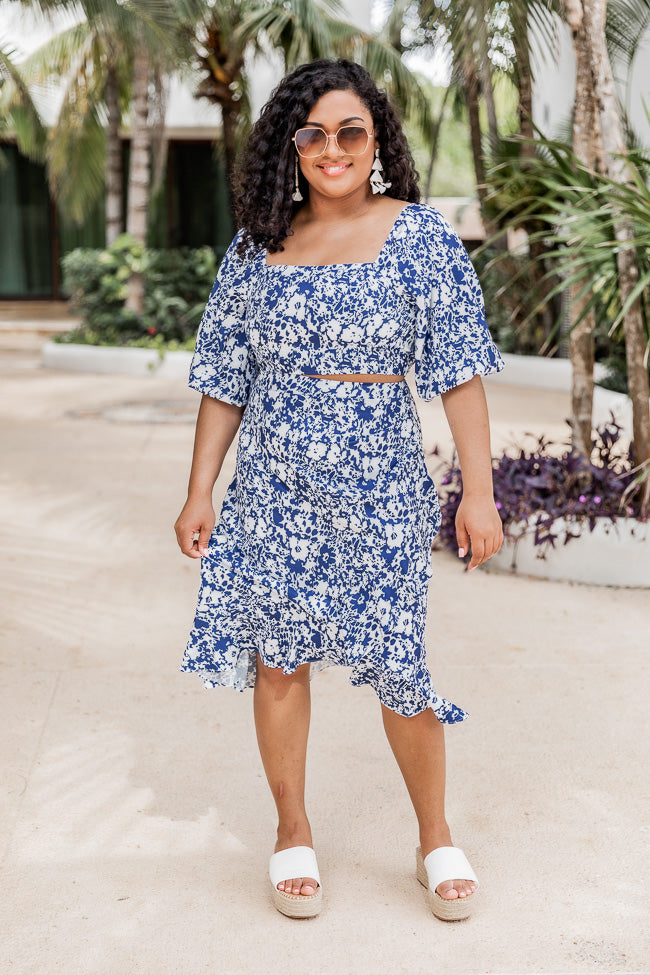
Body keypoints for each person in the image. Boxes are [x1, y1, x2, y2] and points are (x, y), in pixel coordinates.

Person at [174, 58, 504, 922]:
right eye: (313, 133)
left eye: (351, 131)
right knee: (280, 659)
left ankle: (434, 835)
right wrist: (201, 488)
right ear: (291, 146)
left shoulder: (421, 237)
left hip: (380, 488)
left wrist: (479, 491)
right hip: (273, 488)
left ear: (376, 141)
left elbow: (460, 373)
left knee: (399, 661)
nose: (333, 148)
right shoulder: (257, 245)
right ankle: (293, 828)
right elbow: (225, 379)